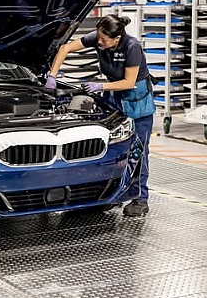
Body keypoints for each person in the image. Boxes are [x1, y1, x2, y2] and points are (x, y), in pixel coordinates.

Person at [45, 14, 154, 217]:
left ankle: (140, 198)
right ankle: (111, 193)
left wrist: (100, 85)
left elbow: (129, 82)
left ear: (117, 38)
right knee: (111, 149)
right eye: (98, 37)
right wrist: (52, 75)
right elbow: (65, 48)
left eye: (104, 39)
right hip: (114, 100)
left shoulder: (132, 47)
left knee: (137, 152)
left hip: (137, 104)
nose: (99, 41)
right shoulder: (98, 37)